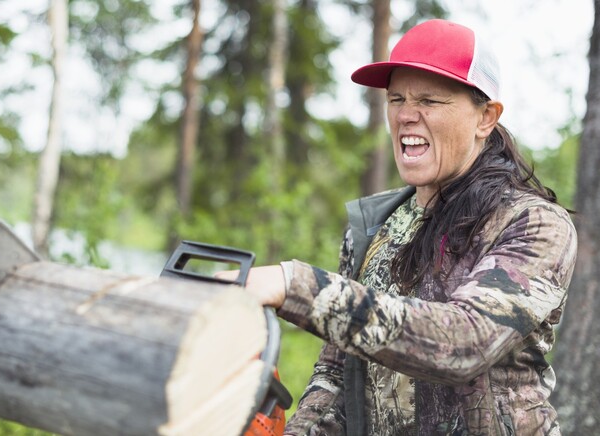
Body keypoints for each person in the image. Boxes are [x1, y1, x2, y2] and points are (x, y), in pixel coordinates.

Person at [219, 19, 578, 435]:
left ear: (486, 117)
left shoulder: (534, 225)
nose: (406, 115)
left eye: (430, 101)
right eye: (396, 98)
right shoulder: (374, 226)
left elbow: (465, 343)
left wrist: (294, 284)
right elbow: (337, 372)